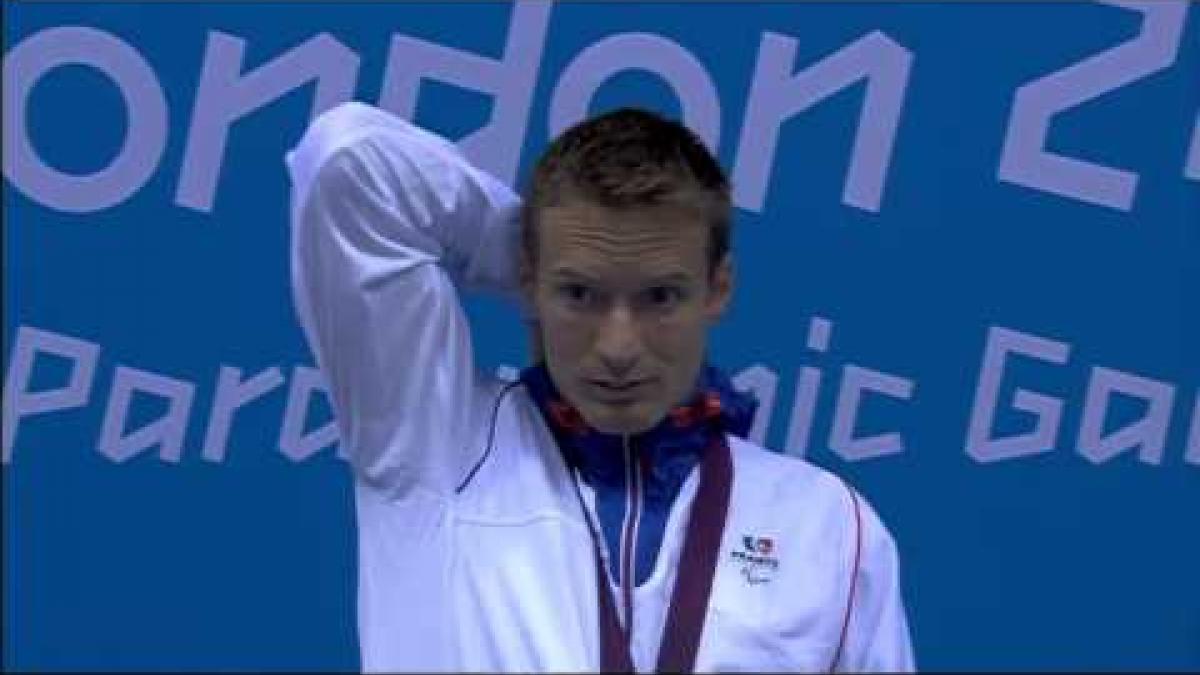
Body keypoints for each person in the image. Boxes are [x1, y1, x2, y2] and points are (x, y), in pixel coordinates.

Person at [285, 101, 915, 673]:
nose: (617, 348)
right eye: (581, 295)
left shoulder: (829, 528)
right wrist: (543, 247)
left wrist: (573, 271)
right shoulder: (436, 446)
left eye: (659, 297)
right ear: (528, 279)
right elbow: (347, 161)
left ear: (717, 289)